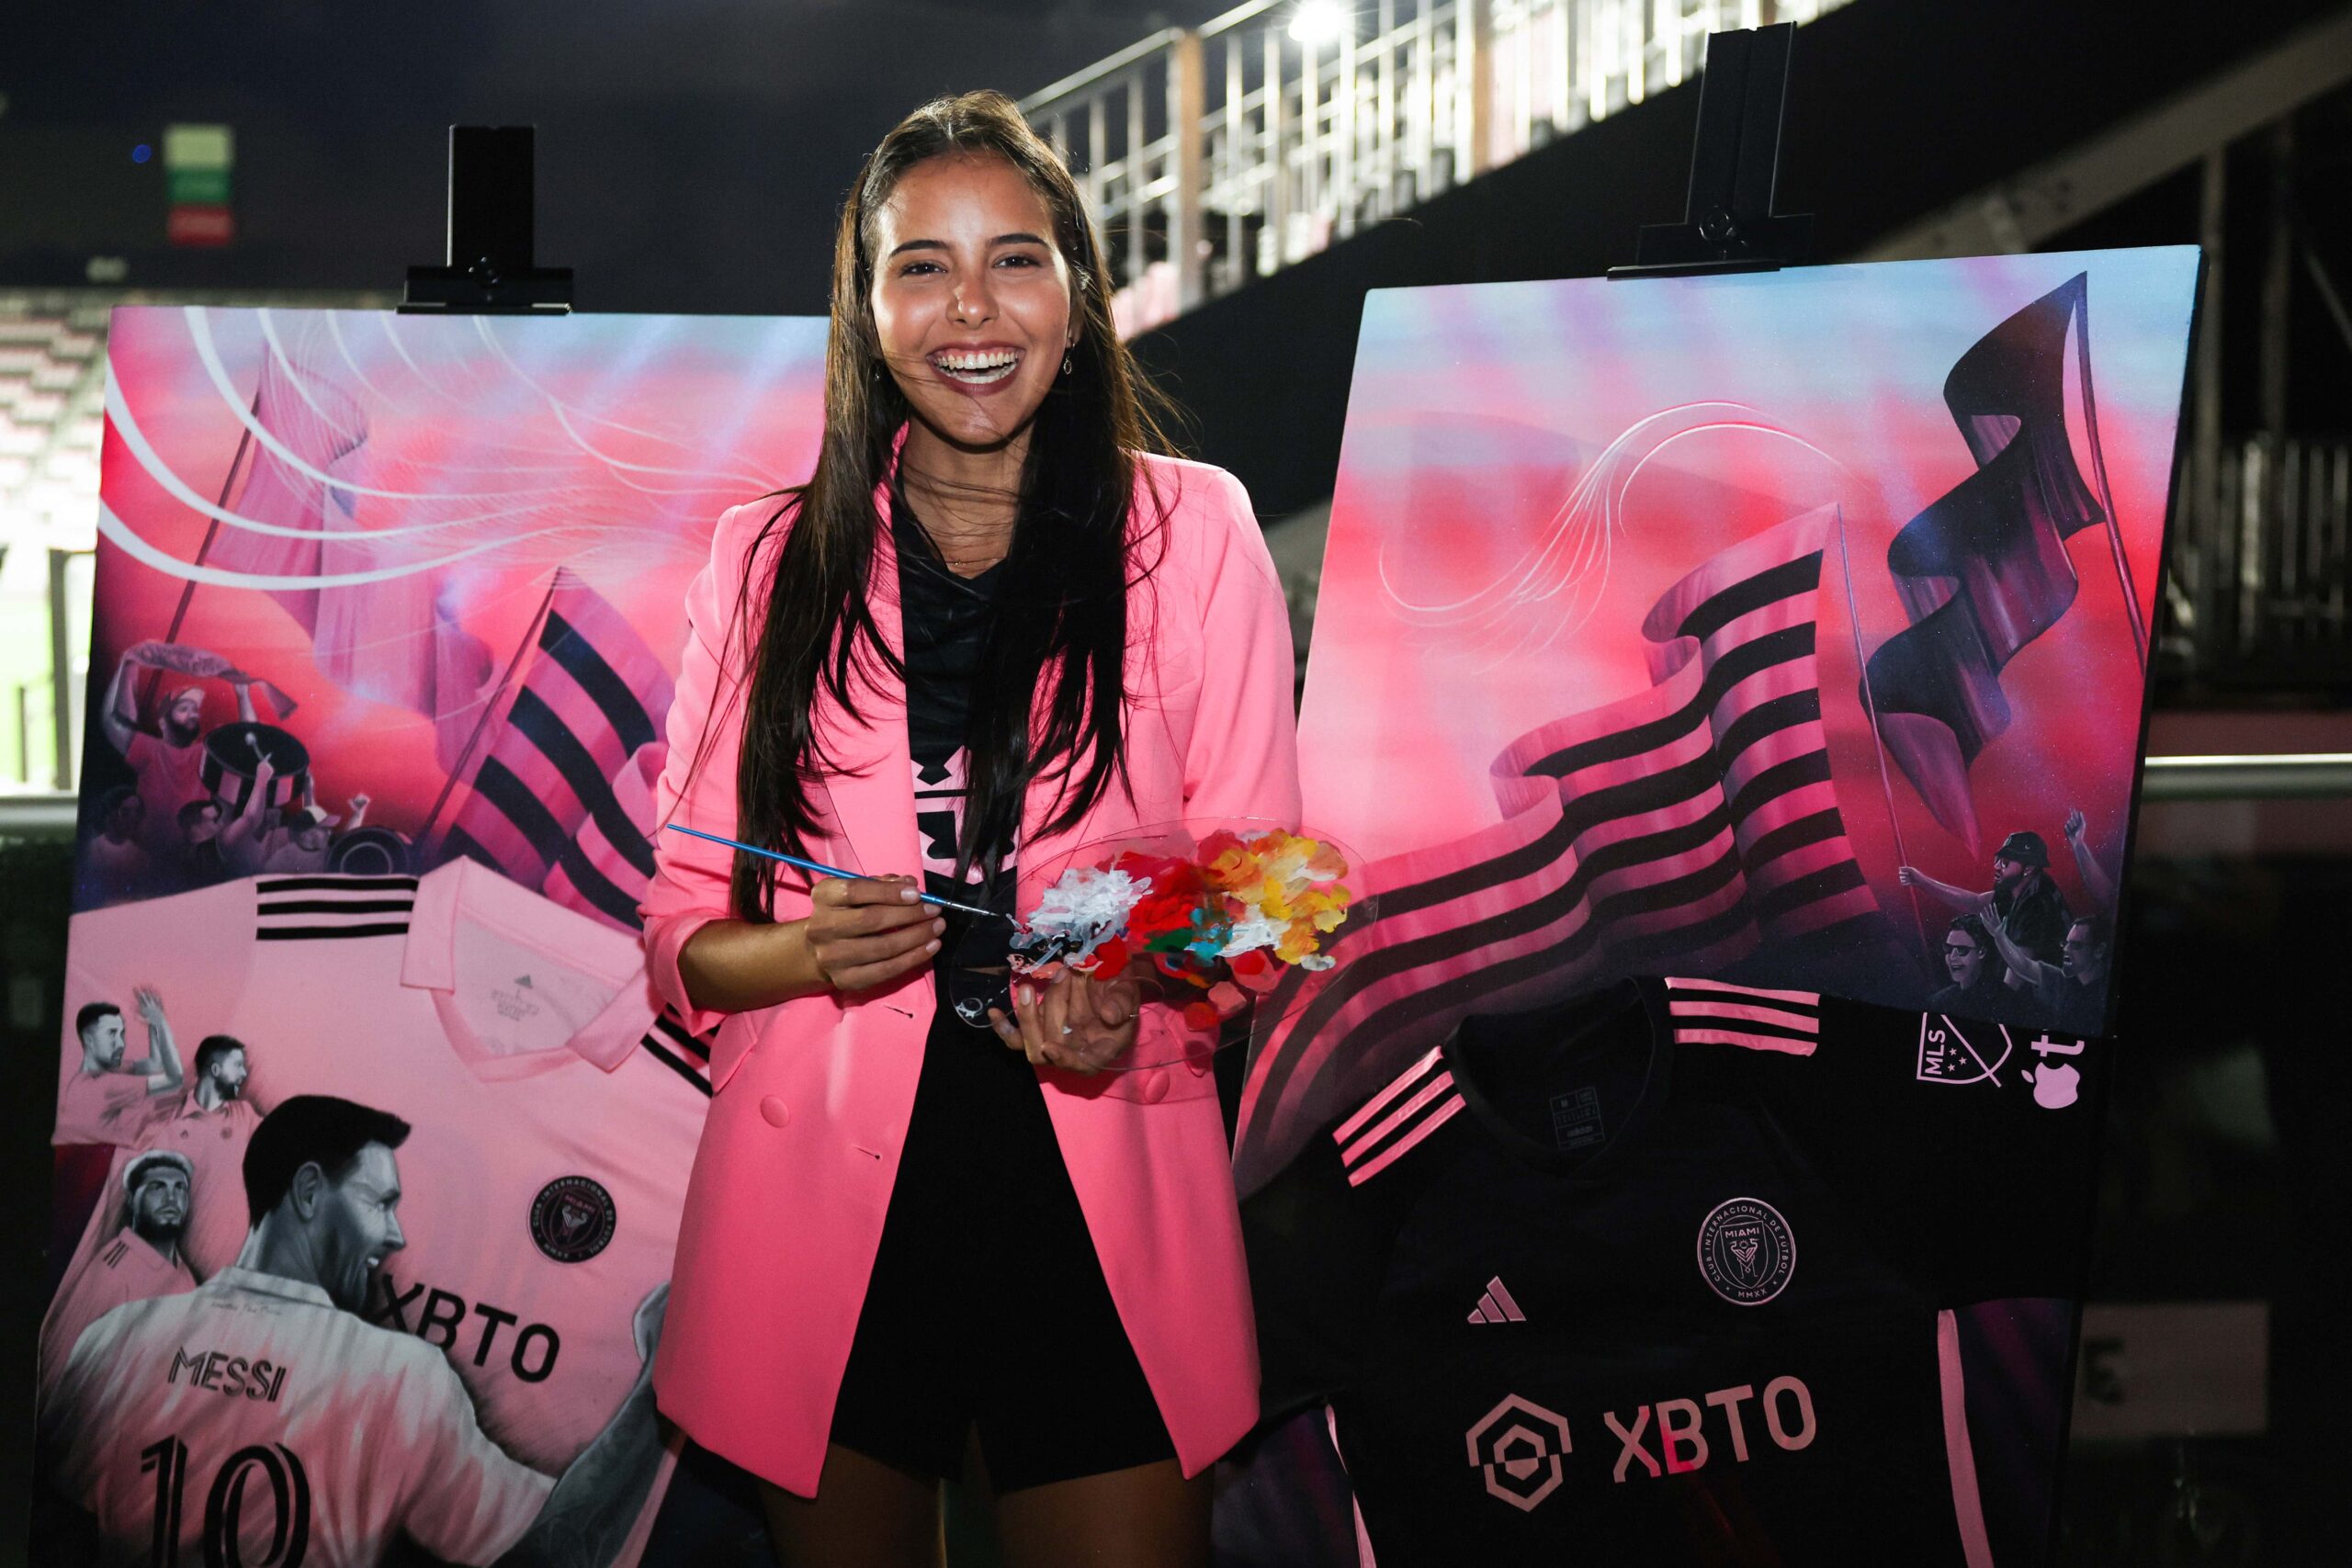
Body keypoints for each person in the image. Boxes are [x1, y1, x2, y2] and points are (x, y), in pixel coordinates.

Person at [642, 90, 1299, 1567]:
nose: (971, 308)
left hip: (1104, 1202)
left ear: (1076, 288)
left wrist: (1136, 998)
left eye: (1015, 257)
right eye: (920, 265)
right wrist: (810, 948)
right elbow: (680, 933)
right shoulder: (766, 561)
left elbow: (1265, 883)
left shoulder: (1194, 530)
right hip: (825, 1213)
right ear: (867, 307)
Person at [40, 1095, 670, 1568]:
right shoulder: (400, 1378)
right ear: (310, 1190)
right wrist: (658, 1382)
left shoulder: (116, 1337)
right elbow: (557, 1551)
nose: (396, 1234)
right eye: (380, 1201)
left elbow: (51, 1520)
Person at [37, 1149, 198, 1394]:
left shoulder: (184, 1272)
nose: (171, 1198)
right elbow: (63, 1367)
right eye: (157, 1187)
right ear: (132, 1199)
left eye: (180, 1188)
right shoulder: (111, 1271)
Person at [98, 655, 257, 859]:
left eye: (195, 710)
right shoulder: (149, 748)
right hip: (148, 856)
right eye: (184, 709)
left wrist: (243, 694)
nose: (193, 714)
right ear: (163, 722)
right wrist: (126, 665)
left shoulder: (206, 752)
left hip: (194, 856)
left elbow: (250, 738)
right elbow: (110, 723)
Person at [153, 1032, 266, 1279]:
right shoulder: (170, 1124)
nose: (244, 1074)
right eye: (237, 1065)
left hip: (240, 1270)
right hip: (183, 1275)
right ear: (215, 1069)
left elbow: (281, 1139)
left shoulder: (245, 1115)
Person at [1899, 829, 2073, 986]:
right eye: (1998, 860)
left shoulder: (2038, 903)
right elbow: (1975, 903)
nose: (1996, 867)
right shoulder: (2014, 887)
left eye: (2005, 863)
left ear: (2028, 868)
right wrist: (1922, 881)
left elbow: (2019, 972)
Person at [55, 990, 184, 1146]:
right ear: (89, 1040)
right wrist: (161, 1022)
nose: (121, 1044)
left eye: (121, 1034)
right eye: (111, 1034)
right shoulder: (103, 1086)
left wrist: (152, 1022)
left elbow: (155, 1064)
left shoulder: (95, 1075)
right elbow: (175, 1079)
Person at [1986, 911, 2113, 1036]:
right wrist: (1999, 936)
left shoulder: (2105, 994)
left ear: (2099, 951)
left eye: (2076, 945)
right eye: (2066, 943)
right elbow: (2024, 966)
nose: (2066, 949)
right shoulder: (2062, 982)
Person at [1923, 913, 2024, 1021]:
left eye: (1962, 950)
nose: (1952, 957)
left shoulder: (2006, 1002)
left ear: (1981, 952)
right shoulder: (1937, 1002)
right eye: (1948, 949)